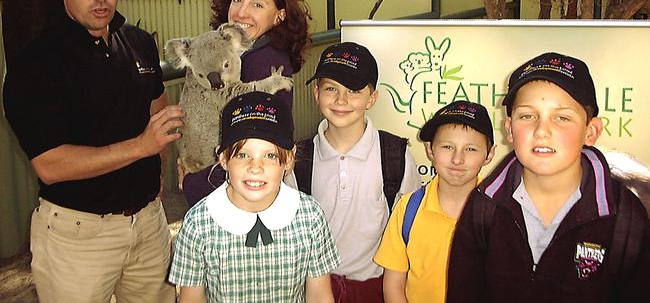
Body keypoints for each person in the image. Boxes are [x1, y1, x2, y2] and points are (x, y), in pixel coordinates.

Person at [2, 0, 182, 302]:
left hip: (148, 225)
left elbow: (157, 110)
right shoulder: (37, 64)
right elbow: (51, 165)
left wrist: (158, 169)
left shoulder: (138, 43)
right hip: (78, 235)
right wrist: (140, 147)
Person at [446, 52, 650, 302]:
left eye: (562, 117)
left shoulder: (625, 218)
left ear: (591, 131)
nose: (542, 131)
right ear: (509, 129)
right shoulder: (483, 208)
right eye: (527, 116)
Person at [169, 91, 340, 302]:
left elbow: (320, 294)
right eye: (242, 155)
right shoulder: (198, 224)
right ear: (223, 159)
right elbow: (191, 299)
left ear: (289, 160)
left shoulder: (310, 216)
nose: (255, 168)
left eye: (269, 155)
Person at [287, 42, 422, 302]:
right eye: (331, 89)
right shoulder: (299, 160)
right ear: (316, 93)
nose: (341, 100)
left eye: (354, 91)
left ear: (372, 98)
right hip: (316, 289)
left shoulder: (394, 155)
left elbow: (410, 231)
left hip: (377, 288)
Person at [181, 0, 309, 204]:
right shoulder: (233, 53)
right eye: (237, 0)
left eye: (257, 5)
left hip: (234, 193)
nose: (241, 12)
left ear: (279, 15)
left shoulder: (263, 65)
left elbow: (258, 151)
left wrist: (194, 182)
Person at [373, 101, 495, 303]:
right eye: (447, 147)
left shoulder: (499, 213)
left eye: (471, 149)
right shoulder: (408, 209)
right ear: (430, 150)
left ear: (489, 154)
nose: (457, 159)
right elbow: (393, 285)